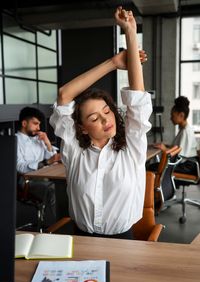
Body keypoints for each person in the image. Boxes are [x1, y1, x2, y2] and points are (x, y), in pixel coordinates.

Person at [50, 6, 152, 240]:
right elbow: (65, 95)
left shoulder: (131, 149)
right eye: (94, 118)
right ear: (82, 128)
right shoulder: (75, 152)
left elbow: (137, 100)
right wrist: (114, 63)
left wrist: (130, 32)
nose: (106, 119)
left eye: (107, 111)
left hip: (124, 242)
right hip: (80, 240)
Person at [16, 107, 61, 228]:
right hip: (27, 181)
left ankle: (64, 221)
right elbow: (19, 167)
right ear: (24, 123)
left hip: (46, 177)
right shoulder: (15, 140)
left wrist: (47, 143)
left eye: (39, 124)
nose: (38, 128)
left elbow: (54, 159)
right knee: (53, 191)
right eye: (35, 124)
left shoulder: (38, 139)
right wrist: (46, 162)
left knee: (66, 186)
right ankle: (52, 228)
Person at [151, 96, 198, 175]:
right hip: (186, 164)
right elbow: (179, 148)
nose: (170, 118)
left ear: (181, 115)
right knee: (154, 166)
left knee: (152, 168)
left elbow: (179, 157)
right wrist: (166, 146)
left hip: (187, 166)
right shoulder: (183, 130)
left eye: (172, 116)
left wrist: (165, 149)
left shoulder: (186, 132)